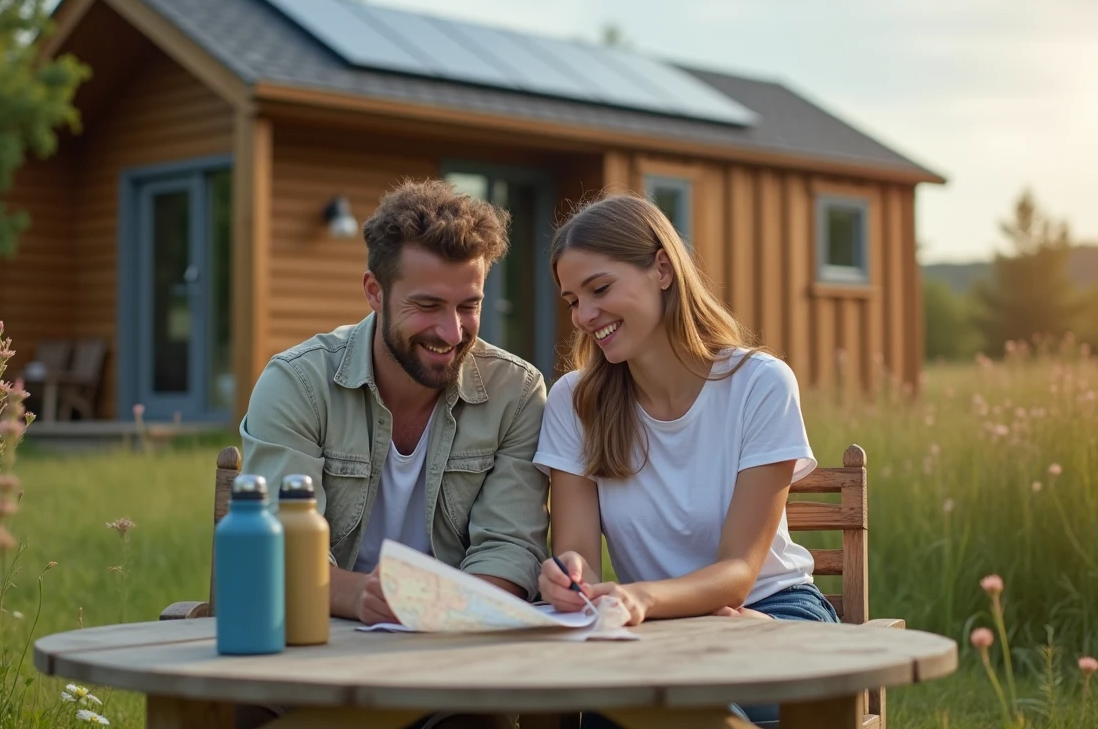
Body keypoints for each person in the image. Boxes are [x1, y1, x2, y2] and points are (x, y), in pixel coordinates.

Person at [238, 178, 550, 729]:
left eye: (468, 306)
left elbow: (509, 550)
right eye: (427, 305)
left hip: (455, 669)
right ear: (374, 291)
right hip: (314, 657)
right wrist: (367, 598)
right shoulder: (298, 383)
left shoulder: (516, 393)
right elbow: (275, 558)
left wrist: (436, 612)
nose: (451, 331)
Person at [533, 193, 837, 728]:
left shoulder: (759, 385)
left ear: (663, 269)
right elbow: (576, 551)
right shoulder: (573, 401)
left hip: (771, 613)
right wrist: (569, 576)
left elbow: (738, 573)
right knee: (621, 710)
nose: (584, 316)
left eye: (599, 289)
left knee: (668, 706)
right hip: (650, 632)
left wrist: (638, 599)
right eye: (572, 301)